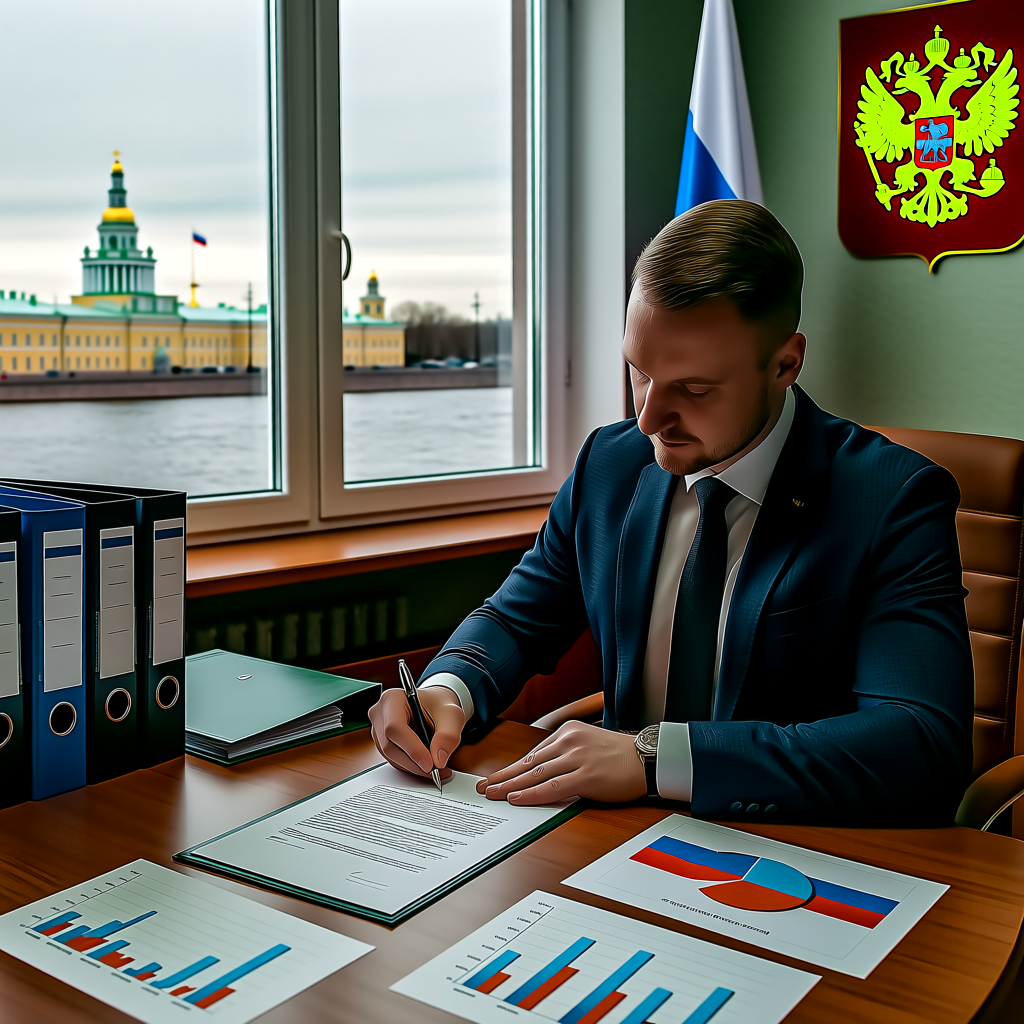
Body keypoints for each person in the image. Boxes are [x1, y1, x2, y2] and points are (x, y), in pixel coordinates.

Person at [368, 199, 974, 825]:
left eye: (694, 388)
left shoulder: (892, 498)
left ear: (785, 365)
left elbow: (921, 742)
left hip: (791, 841)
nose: (648, 418)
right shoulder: (610, 464)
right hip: (614, 834)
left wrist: (656, 759)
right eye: (639, 372)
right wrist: (446, 690)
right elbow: (518, 619)